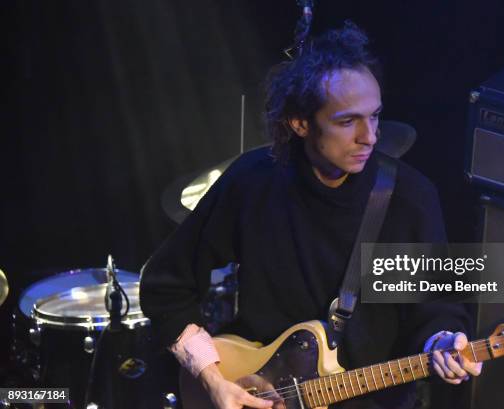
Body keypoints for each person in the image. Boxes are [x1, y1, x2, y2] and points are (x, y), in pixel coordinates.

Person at [140, 22, 482, 409]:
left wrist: (443, 342)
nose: (369, 136)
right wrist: (213, 378)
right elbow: (166, 287)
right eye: (348, 121)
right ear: (300, 122)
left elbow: (438, 309)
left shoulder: (409, 199)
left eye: (374, 116)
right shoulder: (253, 183)